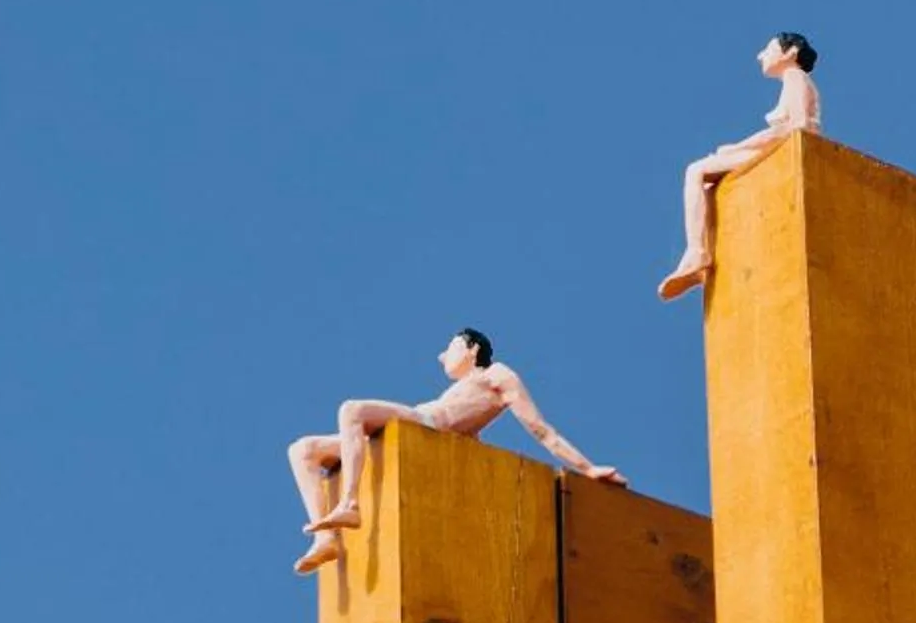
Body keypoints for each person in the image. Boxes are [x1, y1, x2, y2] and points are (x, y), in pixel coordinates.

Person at [288, 328, 627, 575]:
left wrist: (588, 468)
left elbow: (542, 431)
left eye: (448, 347)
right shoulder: (460, 389)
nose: (441, 356)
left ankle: (350, 503)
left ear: (472, 349)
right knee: (302, 450)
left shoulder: (498, 374)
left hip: (425, 424)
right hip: (405, 427)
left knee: (352, 409)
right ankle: (326, 539)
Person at [656, 32, 821, 300]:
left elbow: (798, 127)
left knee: (696, 171)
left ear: (790, 53)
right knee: (709, 187)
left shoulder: (795, 78)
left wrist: (742, 149)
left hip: (780, 152)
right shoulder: (793, 80)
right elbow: (782, 129)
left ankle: (697, 253)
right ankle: (700, 253)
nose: (761, 55)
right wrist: (738, 148)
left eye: (768, 49)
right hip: (775, 148)